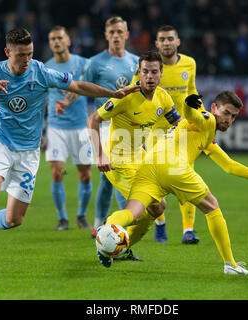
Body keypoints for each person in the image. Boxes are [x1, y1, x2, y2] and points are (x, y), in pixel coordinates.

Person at [0, 27, 139, 274]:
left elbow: (78, 86)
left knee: (14, 220)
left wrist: (114, 93)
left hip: (29, 151)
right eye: (21, 55)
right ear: (7, 52)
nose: (26, 60)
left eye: (30, 54)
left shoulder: (40, 71)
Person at [97, 91, 248, 273]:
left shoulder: (207, 135)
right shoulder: (208, 119)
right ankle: (230, 265)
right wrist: (187, 104)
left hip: (151, 167)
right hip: (174, 167)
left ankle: (105, 238)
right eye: (226, 113)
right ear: (214, 108)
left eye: (233, 116)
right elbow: (192, 115)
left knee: (135, 212)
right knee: (212, 207)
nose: (228, 120)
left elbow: (229, 165)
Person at [87, 50, 182, 265]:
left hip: (140, 158)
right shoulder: (125, 97)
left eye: (154, 72)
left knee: (158, 208)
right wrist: (100, 155)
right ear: (139, 72)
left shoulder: (163, 97)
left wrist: (203, 128)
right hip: (117, 162)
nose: (149, 76)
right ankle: (106, 240)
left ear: (161, 73)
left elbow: (177, 123)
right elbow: (93, 119)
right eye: (145, 71)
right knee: (143, 209)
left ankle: (120, 244)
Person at [131, 25, 205, 244]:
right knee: (157, 182)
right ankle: (160, 222)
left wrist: (200, 119)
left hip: (182, 130)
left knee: (186, 178)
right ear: (157, 43)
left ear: (178, 41)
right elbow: (136, 90)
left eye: (170, 38)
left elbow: (192, 92)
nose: (166, 43)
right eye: (162, 39)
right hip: (155, 132)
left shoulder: (189, 63)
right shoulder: (150, 68)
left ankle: (188, 231)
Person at [83, 16, 139, 234]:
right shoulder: (95, 63)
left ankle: (101, 222)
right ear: (106, 36)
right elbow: (82, 88)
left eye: (120, 32)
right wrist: (67, 103)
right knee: (113, 173)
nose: (116, 36)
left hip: (130, 126)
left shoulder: (135, 62)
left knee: (110, 178)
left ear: (127, 35)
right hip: (105, 125)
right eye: (112, 32)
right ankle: (114, 222)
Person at [44, 26, 92, 231]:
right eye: (52, 39)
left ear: (68, 41)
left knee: (85, 175)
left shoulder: (83, 63)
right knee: (56, 172)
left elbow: (80, 88)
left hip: (80, 127)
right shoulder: (45, 68)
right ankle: (62, 219)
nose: (56, 42)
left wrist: (64, 102)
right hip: (56, 128)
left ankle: (81, 216)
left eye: (60, 38)